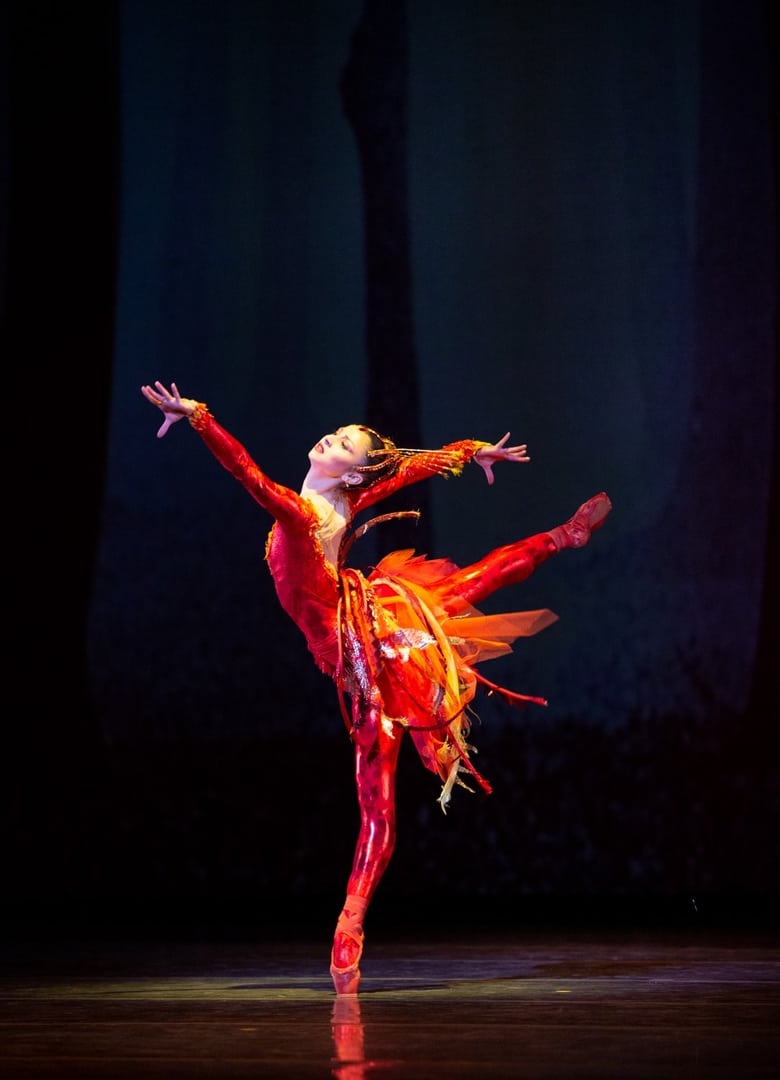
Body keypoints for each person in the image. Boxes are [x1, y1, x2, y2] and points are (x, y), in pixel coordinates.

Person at [141, 380, 612, 994]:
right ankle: (558, 538)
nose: (329, 438)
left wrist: (200, 417)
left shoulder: (307, 510)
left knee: (380, 792)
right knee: (460, 593)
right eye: (337, 434)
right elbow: (403, 472)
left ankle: (349, 925)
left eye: (343, 443)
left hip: (362, 652)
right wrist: (470, 451)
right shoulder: (334, 501)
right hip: (361, 618)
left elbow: (248, 474)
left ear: (352, 475)